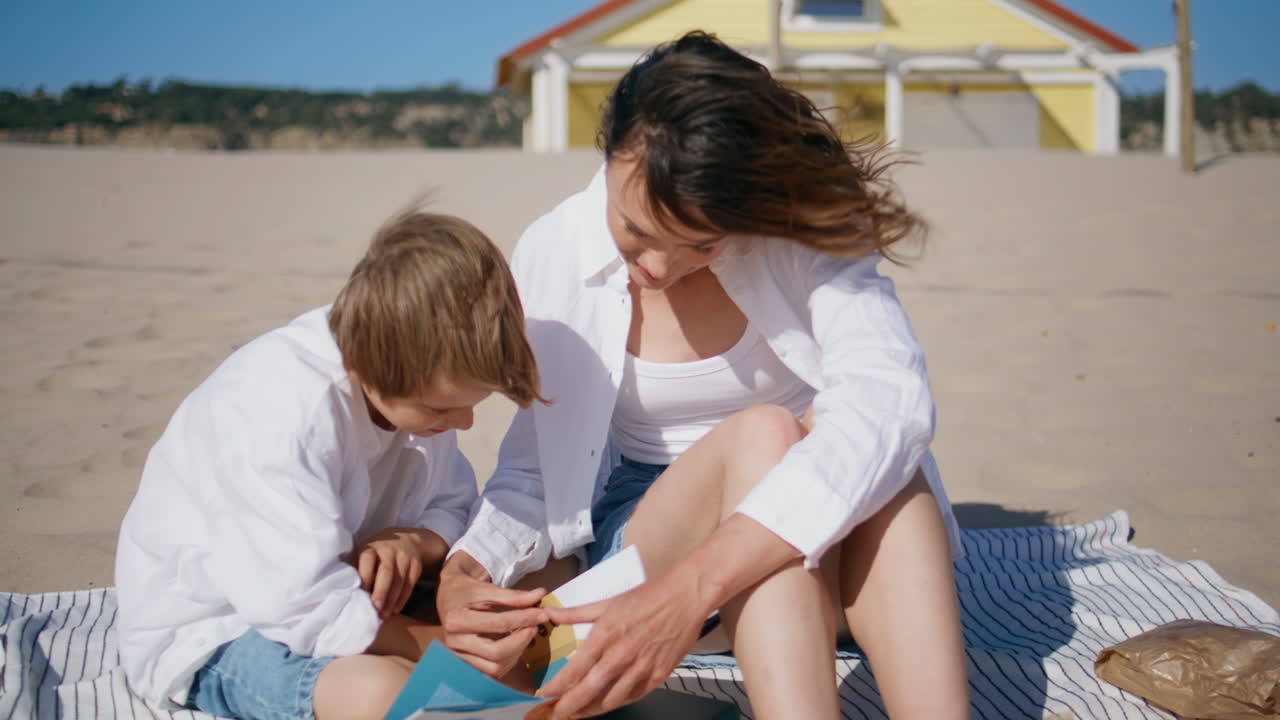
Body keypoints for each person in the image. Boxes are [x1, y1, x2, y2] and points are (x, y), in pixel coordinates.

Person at [439, 31, 971, 720]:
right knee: (765, 436)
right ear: (607, 156)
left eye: (700, 242)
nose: (658, 267)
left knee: (886, 464)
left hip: (799, 566)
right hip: (652, 532)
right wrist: (466, 569)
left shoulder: (798, 227)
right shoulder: (553, 250)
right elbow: (539, 463)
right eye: (634, 231)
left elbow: (890, 404)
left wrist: (693, 588)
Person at [115, 208, 544, 720]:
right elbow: (305, 608)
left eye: (474, 403)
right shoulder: (281, 418)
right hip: (222, 626)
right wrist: (449, 649)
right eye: (442, 409)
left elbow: (453, 502)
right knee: (381, 692)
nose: (466, 424)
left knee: (522, 616)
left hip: (340, 594)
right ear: (366, 369)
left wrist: (415, 541)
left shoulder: (413, 375)